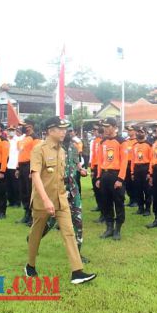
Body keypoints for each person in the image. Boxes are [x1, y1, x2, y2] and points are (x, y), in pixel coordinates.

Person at [25, 116, 96, 284]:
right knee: (36, 233)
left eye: (65, 129)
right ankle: (30, 266)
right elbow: (35, 176)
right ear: (51, 131)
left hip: (61, 199)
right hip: (43, 201)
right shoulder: (38, 149)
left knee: (69, 233)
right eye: (61, 129)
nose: (65, 132)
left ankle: (77, 272)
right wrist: (46, 200)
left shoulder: (62, 151)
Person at [46, 129, 90, 263]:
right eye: (63, 130)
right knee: (49, 221)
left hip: (73, 189)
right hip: (57, 190)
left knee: (78, 220)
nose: (66, 133)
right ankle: (34, 238)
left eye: (69, 131)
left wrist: (81, 170)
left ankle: (77, 253)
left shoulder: (73, 147)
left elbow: (76, 165)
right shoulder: (49, 148)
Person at [96, 118, 128, 240]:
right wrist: (98, 177)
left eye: (108, 126)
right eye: (104, 126)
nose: (106, 129)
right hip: (104, 175)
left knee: (118, 202)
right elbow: (100, 161)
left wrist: (120, 179)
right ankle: (109, 228)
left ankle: (117, 229)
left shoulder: (121, 141)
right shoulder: (103, 142)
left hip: (116, 175)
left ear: (115, 127)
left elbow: (124, 161)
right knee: (106, 202)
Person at [16, 119, 36, 225]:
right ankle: (27, 214)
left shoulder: (35, 138)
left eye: (24, 126)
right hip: (22, 166)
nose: (21, 128)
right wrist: (18, 168)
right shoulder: (24, 138)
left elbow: (36, 155)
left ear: (30, 126)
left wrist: (32, 170)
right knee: (23, 191)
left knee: (30, 192)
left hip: (30, 166)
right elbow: (20, 153)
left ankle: (33, 216)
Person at [131, 127, 153, 216]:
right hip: (137, 168)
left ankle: (147, 209)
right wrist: (132, 172)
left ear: (145, 133)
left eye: (142, 132)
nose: (139, 133)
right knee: (138, 190)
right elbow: (133, 159)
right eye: (138, 132)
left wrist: (149, 172)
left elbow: (152, 160)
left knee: (147, 190)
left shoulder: (149, 145)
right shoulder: (135, 145)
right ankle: (140, 208)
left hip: (145, 168)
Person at [6, 125, 21, 208]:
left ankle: (17, 201)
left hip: (15, 165)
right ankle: (11, 201)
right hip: (7, 165)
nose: (11, 131)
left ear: (15, 131)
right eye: (9, 130)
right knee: (8, 185)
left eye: (12, 130)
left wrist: (18, 166)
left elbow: (20, 153)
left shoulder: (18, 140)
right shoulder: (7, 140)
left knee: (16, 185)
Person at [123, 126, 138, 208]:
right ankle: (131, 199)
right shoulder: (126, 141)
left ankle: (135, 200)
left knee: (134, 183)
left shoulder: (137, 141)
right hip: (126, 163)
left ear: (135, 131)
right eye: (128, 130)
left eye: (131, 130)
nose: (129, 132)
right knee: (127, 183)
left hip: (134, 164)